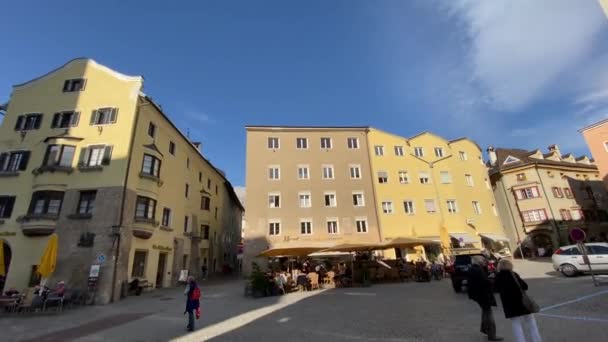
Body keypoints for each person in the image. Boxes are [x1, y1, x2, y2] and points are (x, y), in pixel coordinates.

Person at [494, 259, 542, 342]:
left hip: (509, 304)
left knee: (516, 325)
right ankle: (537, 340)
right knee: (531, 322)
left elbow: (495, 289)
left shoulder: (498, 276)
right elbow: (525, 286)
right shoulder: (514, 274)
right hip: (522, 301)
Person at [467, 256, 503, 341]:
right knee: (488, 314)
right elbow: (484, 282)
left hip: (478, 295)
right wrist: (491, 279)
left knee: (485, 311)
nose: (485, 261)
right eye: (483, 260)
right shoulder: (478, 269)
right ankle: (492, 335)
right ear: (479, 261)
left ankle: (484, 329)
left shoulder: (473, 268)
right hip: (483, 295)